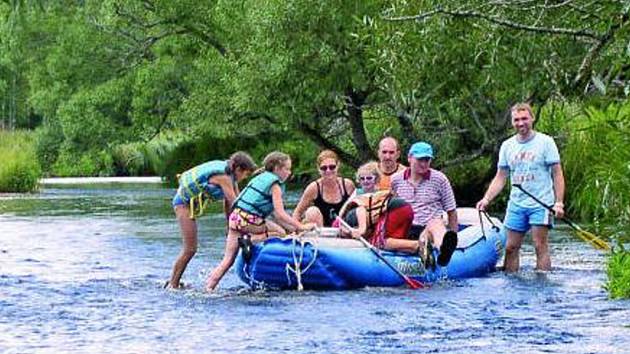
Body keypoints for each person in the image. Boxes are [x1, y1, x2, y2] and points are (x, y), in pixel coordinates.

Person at [205, 151, 316, 291]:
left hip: (235, 219)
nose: (289, 172)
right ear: (276, 168)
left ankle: (208, 288)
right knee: (280, 232)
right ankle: (249, 240)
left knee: (227, 261)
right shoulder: (275, 185)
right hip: (248, 220)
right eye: (287, 169)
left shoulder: (260, 178)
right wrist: (301, 227)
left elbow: (275, 214)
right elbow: (281, 214)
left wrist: (294, 229)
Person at [476, 103, 565, 273]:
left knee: (539, 245)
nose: (521, 123)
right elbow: (501, 177)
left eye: (524, 118)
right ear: (512, 122)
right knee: (510, 247)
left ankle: (542, 284)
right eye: (516, 120)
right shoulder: (507, 146)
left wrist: (559, 203)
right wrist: (486, 199)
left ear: (532, 118)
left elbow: (557, 173)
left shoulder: (546, 142)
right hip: (516, 204)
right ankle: (512, 287)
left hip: (541, 203)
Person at [167, 152, 257, 289]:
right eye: (246, 174)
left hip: (190, 205)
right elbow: (236, 204)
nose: (245, 178)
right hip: (182, 205)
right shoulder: (224, 177)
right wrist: (255, 221)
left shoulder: (230, 175)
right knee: (190, 249)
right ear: (238, 169)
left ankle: (174, 282)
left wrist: (231, 228)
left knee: (191, 249)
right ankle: (172, 285)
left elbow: (231, 203)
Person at [390, 142, 459, 267]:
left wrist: (455, 234)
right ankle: (420, 247)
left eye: (427, 160)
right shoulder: (396, 180)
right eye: (420, 160)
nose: (424, 164)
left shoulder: (439, 179)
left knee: (436, 222)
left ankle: (443, 250)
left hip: (428, 228)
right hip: (406, 229)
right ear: (410, 158)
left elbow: (451, 212)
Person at [293, 150, 355, 227]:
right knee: (312, 211)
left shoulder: (348, 185)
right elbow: (298, 212)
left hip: (343, 229)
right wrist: (297, 228)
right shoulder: (313, 188)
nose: (328, 171)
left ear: (338, 165)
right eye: (324, 168)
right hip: (321, 230)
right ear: (319, 169)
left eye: (332, 167)